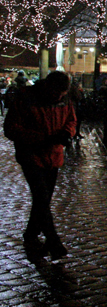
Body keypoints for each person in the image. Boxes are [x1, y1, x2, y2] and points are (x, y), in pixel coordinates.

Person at [3, 71, 75, 260]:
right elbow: (11, 128)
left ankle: (31, 233)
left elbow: (71, 119)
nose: (60, 97)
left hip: (54, 155)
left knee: (43, 199)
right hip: (31, 154)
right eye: (57, 93)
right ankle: (53, 240)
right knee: (41, 196)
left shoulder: (64, 100)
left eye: (63, 94)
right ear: (48, 87)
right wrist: (42, 138)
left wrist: (67, 133)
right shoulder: (26, 98)